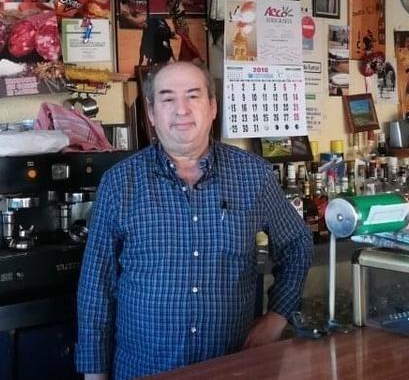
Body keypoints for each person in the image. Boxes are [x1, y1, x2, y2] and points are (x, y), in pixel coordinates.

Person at [76, 61, 312, 379]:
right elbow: (96, 285)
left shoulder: (253, 175)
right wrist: (94, 374)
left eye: (193, 95)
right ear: (151, 112)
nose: (182, 110)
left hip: (233, 367)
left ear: (213, 107)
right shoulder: (120, 183)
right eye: (168, 98)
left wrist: (278, 316)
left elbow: (297, 244)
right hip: (144, 370)